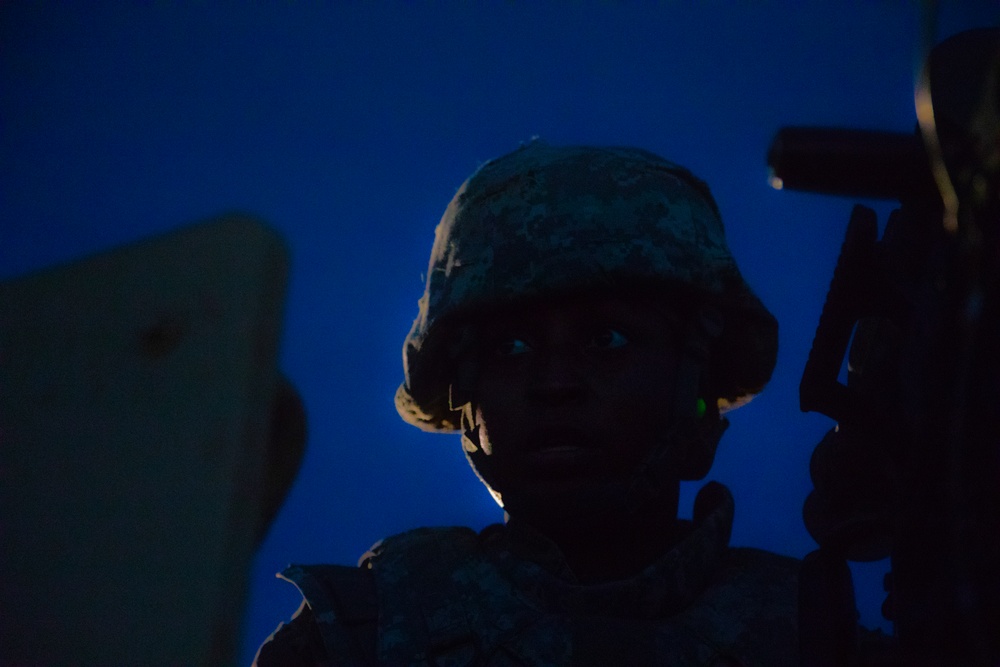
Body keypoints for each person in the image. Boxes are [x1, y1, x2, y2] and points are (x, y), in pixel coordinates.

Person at [253, 141, 799, 666]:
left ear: (695, 384)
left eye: (606, 339)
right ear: (465, 395)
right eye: (510, 348)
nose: (554, 383)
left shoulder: (810, 634)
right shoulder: (362, 634)